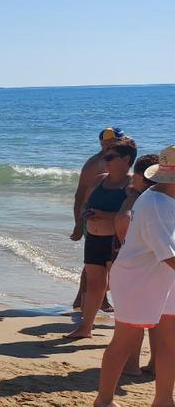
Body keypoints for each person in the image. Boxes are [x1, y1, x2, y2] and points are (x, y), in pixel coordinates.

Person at [92, 144, 175, 407]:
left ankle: (163, 400)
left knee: (168, 341)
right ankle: (104, 399)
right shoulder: (155, 203)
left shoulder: (166, 195)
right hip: (136, 279)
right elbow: (167, 253)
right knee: (125, 341)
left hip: (164, 277)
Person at [67, 141, 137, 339]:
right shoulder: (99, 180)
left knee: (117, 284)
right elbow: (85, 202)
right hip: (94, 239)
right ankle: (85, 328)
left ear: (126, 159)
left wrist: (103, 215)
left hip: (115, 240)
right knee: (94, 285)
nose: (104, 160)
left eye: (109, 157)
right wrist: (83, 217)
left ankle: (125, 330)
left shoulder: (131, 185)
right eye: (104, 156)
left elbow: (131, 215)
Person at [72, 126, 130, 311]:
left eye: (116, 141)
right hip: (93, 220)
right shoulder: (96, 164)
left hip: (108, 221)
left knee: (100, 264)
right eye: (109, 142)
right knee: (94, 264)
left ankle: (92, 299)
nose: (113, 145)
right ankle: (85, 299)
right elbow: (80, 194)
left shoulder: (116, 160)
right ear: (102, 143)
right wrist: (78, 223)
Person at [115, 154, 161, 375]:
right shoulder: (165, 198)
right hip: (162, 268)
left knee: (134, 320)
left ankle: (132, 364)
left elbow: (122, 222)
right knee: (161, 319)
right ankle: (155, 363)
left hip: (141, 266)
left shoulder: (141, 199)